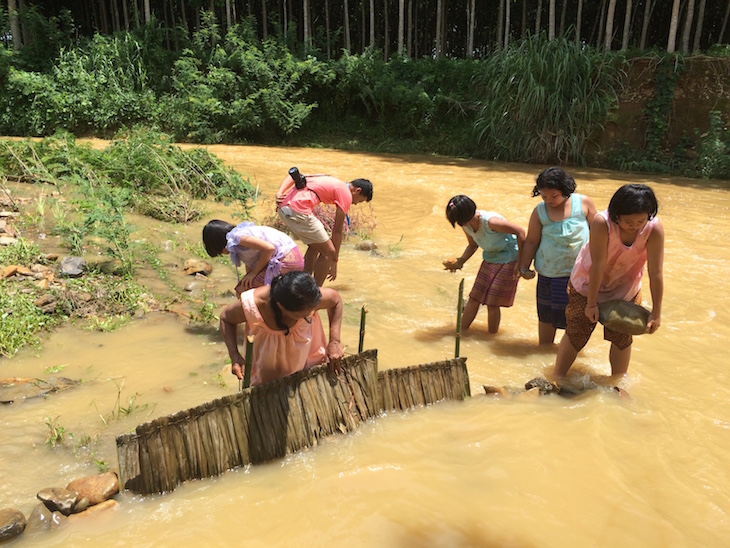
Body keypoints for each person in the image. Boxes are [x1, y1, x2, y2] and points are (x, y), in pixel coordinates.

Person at [553, 184, 664, 379]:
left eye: (641, 220)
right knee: (576, 331)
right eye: (628, 221)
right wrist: (591, 303)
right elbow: (598, 265)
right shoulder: (602, 222)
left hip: (626, 286)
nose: (635, 226)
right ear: (616, 215)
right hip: (588, 283)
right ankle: (557, 377)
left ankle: (617, 383)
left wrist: (656, 312)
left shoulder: (654, 228)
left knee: (622, 336)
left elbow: (655, 273)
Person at [218, 271, 345, 386]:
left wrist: (334, 341)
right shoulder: (253, 305)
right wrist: (234, 355)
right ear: (281, 307)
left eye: (311, 311)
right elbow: (226, 318)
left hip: (307, 361)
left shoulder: (309, 298)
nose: (310, 314)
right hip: (267, 370)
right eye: (301, 315)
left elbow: (336, 300)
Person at [517, 167, 597, 344]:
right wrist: (523, 266)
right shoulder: (540, 211)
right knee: (546, 316)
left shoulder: (583, 203)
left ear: (566, 190)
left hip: (578, 276)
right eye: (544, 197)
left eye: (554, 196)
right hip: (548, 273)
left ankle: (568, 356)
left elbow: (598, 234)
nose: (549, 201)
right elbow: (531, 241)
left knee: (575, 319)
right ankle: (544, 350)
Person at [443, 194, 526, 333]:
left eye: (463, 221)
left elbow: (520, 231)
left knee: (492, 303)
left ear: (470, 214)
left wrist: (522, 263)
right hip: (490, 257)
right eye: (459, 222)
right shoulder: (466, 225)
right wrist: (461, 261)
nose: (462, 225)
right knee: (474, 297)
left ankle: (491, 336)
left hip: (510, 258)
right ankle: (461, 331)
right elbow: (472, 245)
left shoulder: (491, 222)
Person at [275, 168, 373, 286]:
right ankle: (316, 292)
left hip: (284, 207)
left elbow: (293, 175)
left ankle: (302, 284)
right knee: (329, 251)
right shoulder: (346, 194)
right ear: (357, 191)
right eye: (360, 201)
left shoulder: (328, 178)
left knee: (315, 246)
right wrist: (334, 261)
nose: (356, 203)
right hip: (298, 210)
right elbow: (337, 232)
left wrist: (280, 192)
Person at [202, 220, 304, 295]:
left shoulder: (237, 237)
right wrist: (249, 276)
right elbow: (251, 262)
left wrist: (254, 273)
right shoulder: (239, 234)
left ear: (217, 243)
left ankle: (254, 322)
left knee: (242, 292)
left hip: (286, 259)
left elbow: (269, 248)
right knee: (247, 286)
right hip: (293, 256)